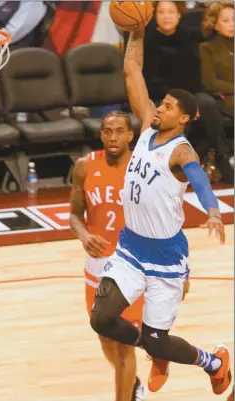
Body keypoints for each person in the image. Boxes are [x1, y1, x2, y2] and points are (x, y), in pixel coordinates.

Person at [89, 25, 231, 396]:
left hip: (166, 256)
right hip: (131, 246)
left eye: (168, 106)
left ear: (183, 118)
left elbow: (199, 180)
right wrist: (135, 32)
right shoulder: (149, 128)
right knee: (101, 319)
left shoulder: (182, 152)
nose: (160, 107)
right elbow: (132, 72)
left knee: (159, 341)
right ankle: (153, 347)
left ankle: (214, 362)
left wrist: (213, 211)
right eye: (161, 102)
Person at [69, 111, 147, 401]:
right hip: (97, 263)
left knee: (124, 343)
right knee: (104, 336)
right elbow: (74, 215)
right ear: (101, 134)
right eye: (107, 131)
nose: (113, 137)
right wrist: (85, 235)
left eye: (119, 131)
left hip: (130, 264)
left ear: (130, 135)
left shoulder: (143, 170)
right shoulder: (84, 167)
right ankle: (133, 384)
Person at [143, 1, 233, 183]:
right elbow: (151, 81)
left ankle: (222, 158)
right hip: (162, 96)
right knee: (177, 109)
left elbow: (195, 77)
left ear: (179, 15)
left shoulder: (189, 38)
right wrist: (185, 103)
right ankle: (178, 164)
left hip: (189, 93)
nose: (167, 16)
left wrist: (191, 102)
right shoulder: (148, 41)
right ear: (155, 16)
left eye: (171, 12)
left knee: (207, 103)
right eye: (162, 12)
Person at [200, 2, 234, 118]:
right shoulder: (206, 48)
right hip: (225, 99)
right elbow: (209, 82)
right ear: (215, 24)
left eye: (234, 19)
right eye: (226, 21)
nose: (232, 24)